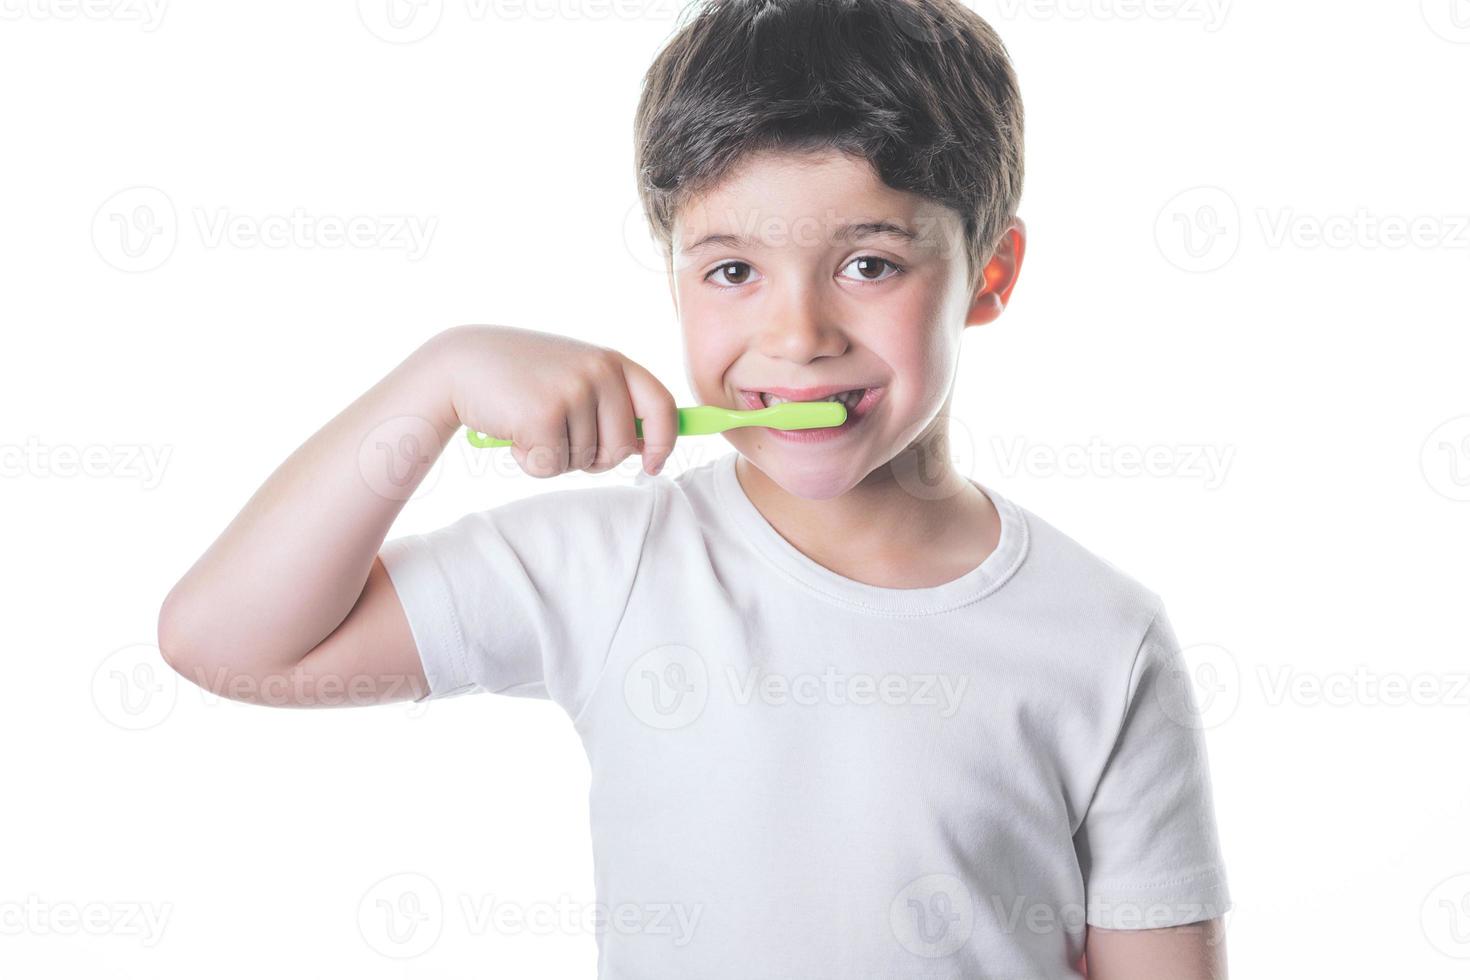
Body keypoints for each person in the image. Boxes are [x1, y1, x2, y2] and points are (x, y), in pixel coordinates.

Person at [159, 0, 1231, 975]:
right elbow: (227, 641)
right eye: (732, 270)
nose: (798, 336)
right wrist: (434, 382)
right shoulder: (613, 563)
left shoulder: (1104, 634)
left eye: (870, 263)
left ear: (990, 273)